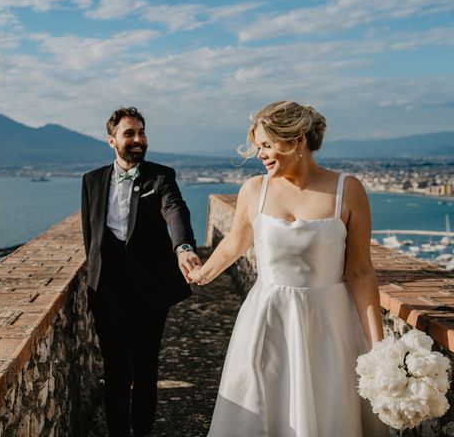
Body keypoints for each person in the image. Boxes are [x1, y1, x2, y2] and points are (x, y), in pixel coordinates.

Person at [188, 101, 388, 436]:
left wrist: (381, 349)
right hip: (269, 318)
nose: (261, 155)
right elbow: (236, 242)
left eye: (266, 145)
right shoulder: (255, 189)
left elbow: (361, 272)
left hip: (331, 324)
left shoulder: (347, 190)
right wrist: (202, 273)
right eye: (258, 147)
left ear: (296, 141)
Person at [81, 106, 201, 436]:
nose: (138, 139)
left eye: (141, 132)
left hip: (150, 290)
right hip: (107, 291)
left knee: (147, 369)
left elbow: (175, 211)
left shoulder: (160, 176)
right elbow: (89, 236)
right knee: (117, 371)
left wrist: (184, 247)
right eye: (129, 133)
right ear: (112, 140)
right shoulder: (91, 181)